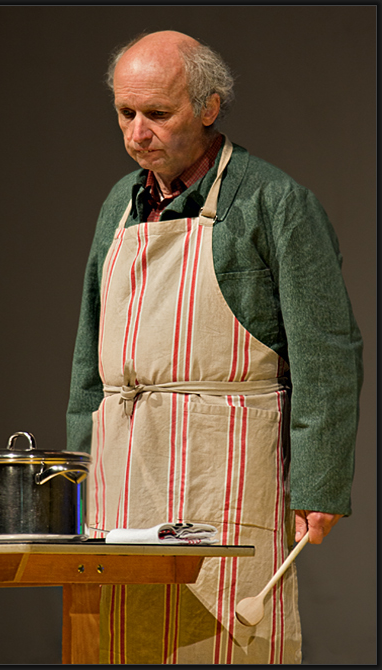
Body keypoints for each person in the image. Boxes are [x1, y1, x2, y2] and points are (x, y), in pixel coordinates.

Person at [65, 30, 363, 664]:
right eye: (126, 113)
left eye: (157, 114)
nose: (137, 132)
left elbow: (328, 352)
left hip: (221, 470)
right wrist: (72, 476)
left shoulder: (275, 203)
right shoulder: (119, 205)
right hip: (123, 469)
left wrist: (320, 482)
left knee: (224, 642)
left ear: (208, 107)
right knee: (124, 641)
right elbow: (89, 358)